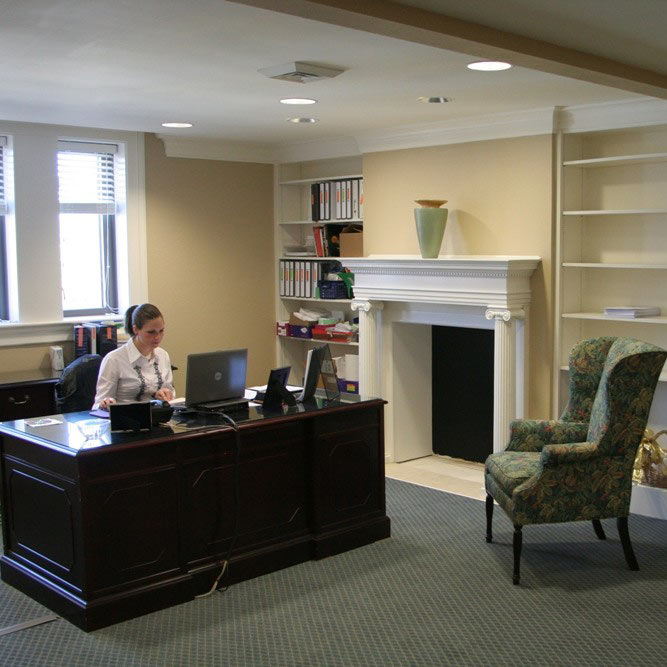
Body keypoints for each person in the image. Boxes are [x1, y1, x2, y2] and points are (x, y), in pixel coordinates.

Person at [93, 303, 175, 410]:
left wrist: (165, 394)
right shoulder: (114, 359)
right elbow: (98, 404)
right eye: (151, 332)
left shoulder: (163, 355)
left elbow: (170, 392)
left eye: (161, 331)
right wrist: (105, 403)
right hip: (126, 420)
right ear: (136, 329)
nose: (157, 337)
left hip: (158, 418)